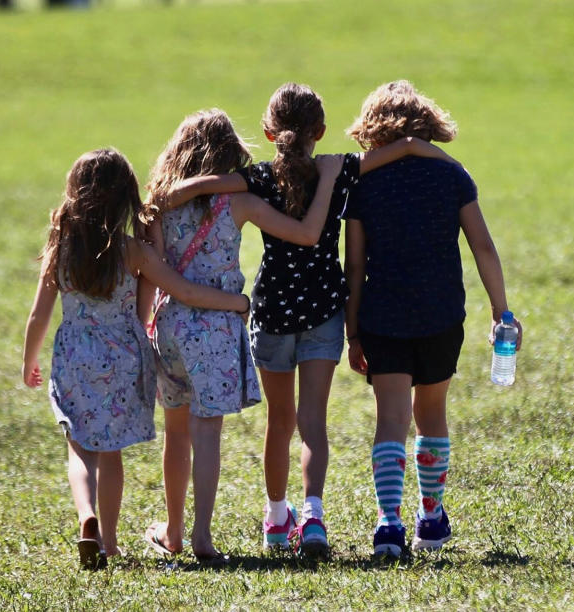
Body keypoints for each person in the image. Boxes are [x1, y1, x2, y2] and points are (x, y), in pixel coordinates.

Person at [161, 84, 457, 555]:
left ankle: (278, 519)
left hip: (272, 310)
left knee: (280, 422)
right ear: (319, 131)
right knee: (313, 422)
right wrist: (437, 157)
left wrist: (176, 191)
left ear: (268, 131)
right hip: (323, 309)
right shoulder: (336, 170)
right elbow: (401, 148)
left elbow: (211, 185)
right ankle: (314, 516)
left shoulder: (257, 177)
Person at [20, 149, 249, 570]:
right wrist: (236, 301)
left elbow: (39, 314)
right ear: (125, 199)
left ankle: (85, 516)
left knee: (80, 450)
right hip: (124, 357)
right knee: (111, 453)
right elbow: (185, 291)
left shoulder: (60, 247)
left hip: (75, 357)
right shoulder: (134, 252)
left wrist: (28, 361)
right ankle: (108, 542)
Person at [141, 108, 344, 562]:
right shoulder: (241, 203)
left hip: (168, 325)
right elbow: (307, 234)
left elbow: (152, 272)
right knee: (206, 432)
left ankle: (172, 532)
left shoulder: (157, 204)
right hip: (214, 330)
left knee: (176, 434)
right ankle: (202, 538)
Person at [343, 80, 523, 558]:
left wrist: (352, 329)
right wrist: (502, 310)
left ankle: (388, 524)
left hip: (383, 315)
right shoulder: (453, 176)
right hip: (442, 312)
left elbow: (355, 264)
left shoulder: (364, 182)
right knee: (431, 415)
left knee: (391, 419)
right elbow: (482, 246)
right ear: (428, 126)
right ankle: (430, 516)